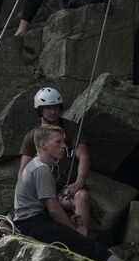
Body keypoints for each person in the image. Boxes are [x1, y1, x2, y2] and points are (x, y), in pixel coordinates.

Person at [14, 125, 139, 261]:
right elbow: (53, 209)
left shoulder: (39, 165)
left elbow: (49, 207)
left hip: (32, 221)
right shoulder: (41, 169)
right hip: (33, 225)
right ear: (42, 144)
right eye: (58, 142)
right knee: (88, 246)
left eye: (64, 142)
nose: (64, 146)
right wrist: (72, 230)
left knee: (88, 245)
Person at [19, 87, 91, 235]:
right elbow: (23, 171)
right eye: (48, 108)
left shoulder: (71, 128)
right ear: (40, 110)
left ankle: (83, 238)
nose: (53, 112)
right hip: (44, 190)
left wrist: (79, 181)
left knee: (82, 196)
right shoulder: (31, 136)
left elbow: (83, 156)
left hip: (66, 188)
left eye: (56, 107)